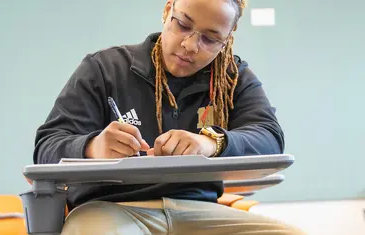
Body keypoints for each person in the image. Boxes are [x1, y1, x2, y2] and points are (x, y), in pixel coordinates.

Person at [33, 0, 305, 234]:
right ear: (167, 11)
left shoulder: (233, 78)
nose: (189, 45)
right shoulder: (104, 69)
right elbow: (47, 147)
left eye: (210, 39)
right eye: (183, 25)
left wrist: (211, 143)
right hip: (110, 210)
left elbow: (269, 137)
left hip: (198, 211)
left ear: (226, 41)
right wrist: (94, 147)